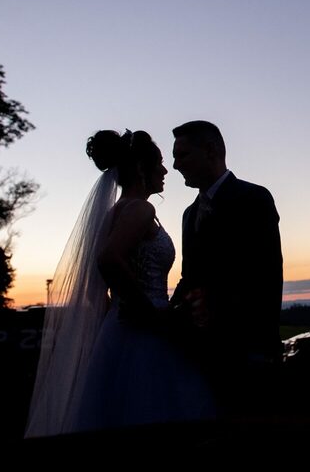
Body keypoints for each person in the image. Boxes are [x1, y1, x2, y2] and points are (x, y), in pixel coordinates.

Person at [25, 129, 214, 437]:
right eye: (160, 162)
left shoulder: (116, 212)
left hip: (120, 327)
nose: (165, 170)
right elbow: (109, 260)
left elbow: (95, 285)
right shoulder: (140, 208)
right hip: (144, 329)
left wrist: (117, 312)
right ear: (141, 167)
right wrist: (150, 313)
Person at [169, 120, 284, 416]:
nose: (174, 165)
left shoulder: (254, 198)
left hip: (248, 348)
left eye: (182, 155)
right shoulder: (188, 214)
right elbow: (188, 277)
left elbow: (266, 275)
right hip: (202, 352)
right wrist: (166, 315)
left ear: (210, 151)